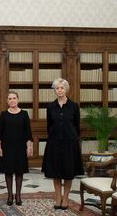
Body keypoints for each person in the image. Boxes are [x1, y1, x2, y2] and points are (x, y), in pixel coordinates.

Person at [42, 78, 84, 210]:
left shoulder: (74, 106)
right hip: (54, 143)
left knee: (68, 172)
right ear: (54, 90)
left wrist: (72, 137)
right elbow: (49, 126)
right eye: (57, 88)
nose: (59, 90)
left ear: (66, 89)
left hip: (70, 143)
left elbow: (76, 126)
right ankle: (57, 197)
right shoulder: (50, 107)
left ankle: (65, 198)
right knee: (56, 173)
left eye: (61, 88)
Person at [0, 91, 32, 206]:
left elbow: (28, 133)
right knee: (8, 172)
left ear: (18, 100)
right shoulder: (3, 114)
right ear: (7, 101)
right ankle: (9, 196)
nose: (12, 100)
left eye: (14, 98)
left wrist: (29, 147)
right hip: (7, 148)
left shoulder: (24, 114)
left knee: (19, 172)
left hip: (21, 148)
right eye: (10, 99)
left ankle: (18, 195)